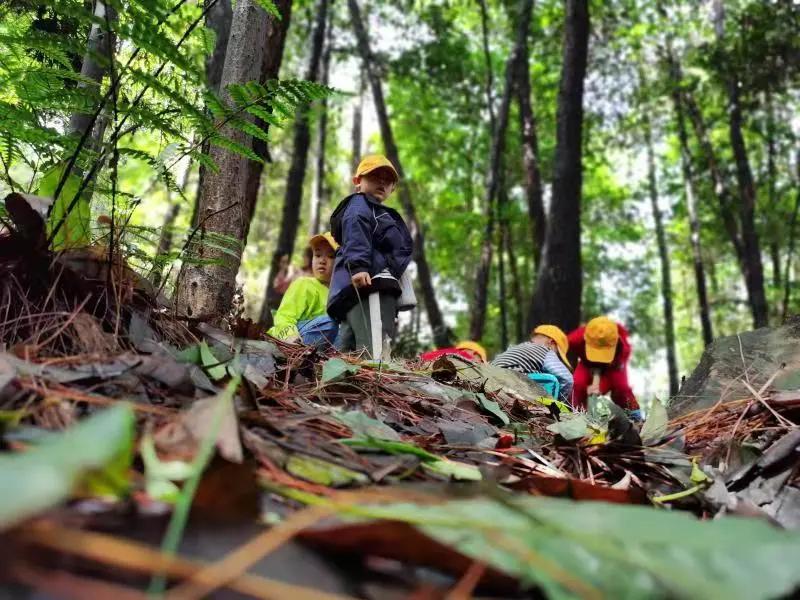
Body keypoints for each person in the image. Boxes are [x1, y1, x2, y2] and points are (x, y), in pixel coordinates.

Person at [327, 155, 413, 360]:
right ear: (357, 181)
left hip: (356, 287)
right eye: (375, 175)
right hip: (371, 284)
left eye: (388, 179)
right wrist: (358, 267)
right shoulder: (360, 206)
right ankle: (373, 386)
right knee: (374, 350)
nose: (382, 181)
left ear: (392, 188)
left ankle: (342, 388)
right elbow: (356, 229)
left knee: (349, 348)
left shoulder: (373, 210)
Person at [268, 232, 339, 346]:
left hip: (324, 345)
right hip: (293, 339)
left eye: (331, 256)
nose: (322, 261)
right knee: (330, 323)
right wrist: (291, 338)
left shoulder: (339, 293)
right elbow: (284, 317)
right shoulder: (304, 283)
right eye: (318, 255)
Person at [567, 316, 642, 420]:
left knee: (622, 387)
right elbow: (562, 347)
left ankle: (635, 415)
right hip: (586, 364)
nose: (599, 359)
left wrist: (600, 386)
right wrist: (586, 389)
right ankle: (576, 415)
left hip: (611, 366)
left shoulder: (623, 349)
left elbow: (614, 379)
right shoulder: (575, 339)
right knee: (577, 384)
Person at [492, 325, 573, 404]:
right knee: (550, 381)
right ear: (551, 343)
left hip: (490, 379)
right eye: (557, 353)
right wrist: (559, 402)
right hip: (512, 383)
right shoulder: (545, 350)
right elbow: (567, 378)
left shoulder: (516, 348)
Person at [420, 341, 487, 363]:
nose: (480, 364)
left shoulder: (448, 351)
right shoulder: (465, 356)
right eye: (481, 361)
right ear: (474, 353)